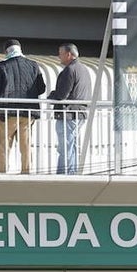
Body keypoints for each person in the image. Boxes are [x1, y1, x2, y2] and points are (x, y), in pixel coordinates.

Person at [0, 38, 46, 174]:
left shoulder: (0, 67)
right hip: (27, 113)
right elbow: (41, 88)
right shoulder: (34, 66)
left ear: (6, 51)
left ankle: (2, 173)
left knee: (4, 144)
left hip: (7, 113)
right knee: (25, 144)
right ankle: (26, 172)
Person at [48, 42, 92, 175]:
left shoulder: (69, 70)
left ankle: (63, 175)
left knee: (65, 147)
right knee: (71, 146)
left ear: (68, 54)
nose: (58, 56)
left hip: (68, 114)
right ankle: (71, 172)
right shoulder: (83, 69)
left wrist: (51, 95)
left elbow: (62, 95)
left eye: (60, 54)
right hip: (79, 113)